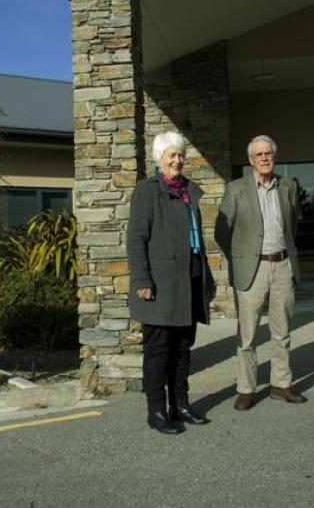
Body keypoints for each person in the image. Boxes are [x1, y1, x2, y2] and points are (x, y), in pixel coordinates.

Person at [127, 131, 215, 434]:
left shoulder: (190, 190)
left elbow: (197, 240)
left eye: (180, 154)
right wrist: (142, 279)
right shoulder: (147, 191)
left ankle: (181, 404)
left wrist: (207, 278)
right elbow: (136, 239)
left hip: (189, 276)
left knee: (183, 347)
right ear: (159, 158)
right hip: (160, 283)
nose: (177, 160)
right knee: (159, 349)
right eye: (172, 155)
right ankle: (156, 410)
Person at [215, 135, 306, 411]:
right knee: (248, 334)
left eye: (269, 153)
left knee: (282, 331)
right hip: (251, 269)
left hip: (282, 266)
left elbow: (294, 225)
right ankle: (246, 388)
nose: (265, 158)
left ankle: (281, 384)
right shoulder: (236, 188)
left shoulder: (288, 186)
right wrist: (240, 257)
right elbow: (222, 231)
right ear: (251, 160)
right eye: (259, 154)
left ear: (274, 157)